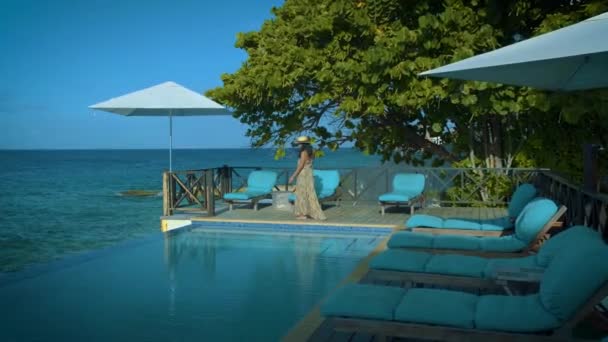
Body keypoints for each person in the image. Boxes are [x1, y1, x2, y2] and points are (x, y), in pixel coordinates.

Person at [288, 136, 327, 221]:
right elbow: (310, 162)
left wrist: (293, 176)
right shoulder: (312, 151)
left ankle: (302, 214)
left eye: (299, 144)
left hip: (303, 174)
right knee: (309, 193)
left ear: (302, 144)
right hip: (309, 173)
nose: (298, 146)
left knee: (302, 193)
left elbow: (301, 165)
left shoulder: (304, 152)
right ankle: (310, 212)